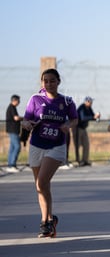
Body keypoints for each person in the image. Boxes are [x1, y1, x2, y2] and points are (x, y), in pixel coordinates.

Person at [21, 68, 78, 238]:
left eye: (52, 80)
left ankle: (45, 222)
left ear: (58, 82)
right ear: (42, 83)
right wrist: (27, 124)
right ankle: (48, 221)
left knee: (41, 182)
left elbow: (75, 119)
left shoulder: (67, 102)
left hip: (56, 146)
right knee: (41, 187)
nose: (49, 84)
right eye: (45, 81)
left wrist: (68, 125)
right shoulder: (35, 99)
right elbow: (26, 119)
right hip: (36, 145)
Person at [73, 96, 100, 166]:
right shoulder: (82, 107)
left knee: (86, 144)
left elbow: (92, 116)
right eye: (89, 101)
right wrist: (93, 117)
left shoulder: (89, 108)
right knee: (77, 145)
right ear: (86, 102)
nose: (91, 103)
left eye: (91, 102)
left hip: (83, 128)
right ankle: (78, 160)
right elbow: (83, 118)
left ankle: (85, 160)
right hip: (77, 128)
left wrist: (96, 117)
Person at [5, 94, 23, 173]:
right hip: (13, 130)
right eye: (18, 101)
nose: (19, 102)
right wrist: (23, 118)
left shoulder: (12, 107)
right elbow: (16, 118)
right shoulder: (12, 107)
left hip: (12, 130)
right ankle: (12, 165)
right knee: (17, 147)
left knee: (12, 148)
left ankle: (10, 165)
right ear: (14, 100)